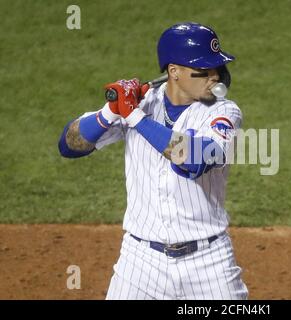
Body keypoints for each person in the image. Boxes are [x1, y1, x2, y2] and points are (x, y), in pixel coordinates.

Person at [58, 22, 248, 300]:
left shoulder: (224, 111)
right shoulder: (143, 103)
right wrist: (110, 113)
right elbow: (69, 145)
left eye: (217, 69)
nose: (215, 78)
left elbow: (196, 159)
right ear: (175, 72)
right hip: (140, 262)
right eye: (204, 71)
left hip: (209, 263)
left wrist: (135, 118)